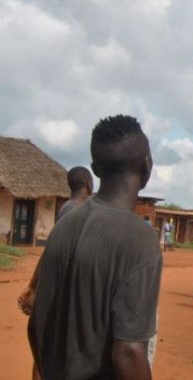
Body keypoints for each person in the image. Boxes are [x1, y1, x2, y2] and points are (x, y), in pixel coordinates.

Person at [28, 114, 162, 380]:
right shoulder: (139, 238)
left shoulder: (63, 226)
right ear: (147, 164)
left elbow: (35, 328)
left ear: (96, 169)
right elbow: (129, 352)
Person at [17, 166, 94, 315]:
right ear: (89, 185)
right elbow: (53, 249)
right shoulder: (74, 211)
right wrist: (33, 287)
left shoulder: (69, 208)